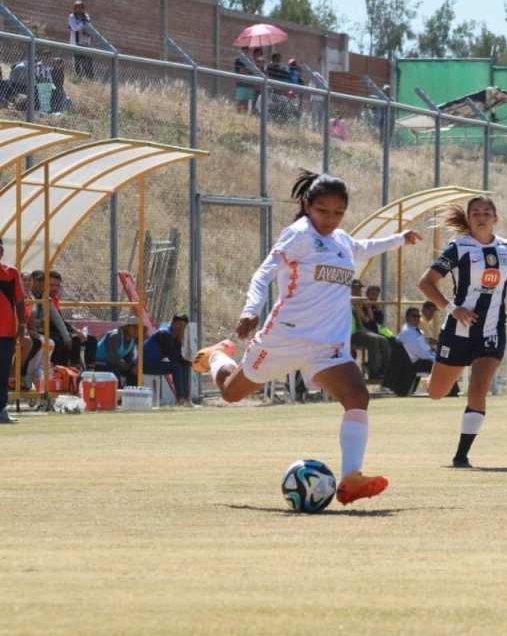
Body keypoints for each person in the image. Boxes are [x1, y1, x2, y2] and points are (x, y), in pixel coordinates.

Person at [191, 170, 422, 505]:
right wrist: (250, 310)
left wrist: (400, 238)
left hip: (326, 346)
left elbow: (363, 247)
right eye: (322, 210)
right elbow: (263, 273)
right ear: (306, 205)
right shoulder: (298, 235)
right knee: (230, 392)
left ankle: (351, 478)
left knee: (357, 396)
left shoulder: (341, 240)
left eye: (338, 212)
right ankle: (215, 356)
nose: (330, 218)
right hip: (284, 338)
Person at [418, 196, 507, 468]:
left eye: (487, 212)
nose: (481, 217)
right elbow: (426, 283)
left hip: (491, 331)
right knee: (437, 393)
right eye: (475, 213)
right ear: (468, 219)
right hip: (458, 331)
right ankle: (430, 380)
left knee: (478, 390)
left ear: (496, 218)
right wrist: (452, 308)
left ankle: (461, 455)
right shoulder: (459, 248)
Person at [0, 238, 28, 424]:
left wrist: (22, 325)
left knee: (3, 372)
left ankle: (1, 410)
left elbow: (19, 300)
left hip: (6, 332)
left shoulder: (11, 273)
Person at [142, 313, 193, 406]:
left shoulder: (174, 336)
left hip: (155, 364)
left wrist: (190, 363)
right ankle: (180, 399)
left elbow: (178, 357)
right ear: (172, 323)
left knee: (185, 365)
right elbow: (174, 357)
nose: (181, 328)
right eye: (179, 324)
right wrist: (180, 340)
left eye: (184, 326)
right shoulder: (164, 334)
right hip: (145, 365)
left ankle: (187, 399)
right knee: (177, 366)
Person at [350, 279, 391, 378]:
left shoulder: (359, 302)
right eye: (355, 289)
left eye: (359, 289)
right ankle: (374, 371)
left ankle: (385, 371)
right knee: (374, 339)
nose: (358, 291)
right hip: (349, 334)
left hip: (360, 331)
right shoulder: (345, 301)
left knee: (383, 340)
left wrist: (365, 308)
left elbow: (367, 320)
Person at [94, 317, 140, 386]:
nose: (137, 330)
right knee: (115, 371)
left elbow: (129, 358)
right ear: (127, 327)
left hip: (113, 364)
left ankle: (131, 390)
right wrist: (127, 366)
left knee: (134, 372)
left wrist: (133, 367)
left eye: (139, 328)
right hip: (99, 363)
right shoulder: (115, 336)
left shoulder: (133, 340)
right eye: (135, 327)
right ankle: (117, 390)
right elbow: (112, 358)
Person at [68, 1, 94, 80]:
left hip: (86, 43)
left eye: (82, 7)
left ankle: (90, 79)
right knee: (77, 62)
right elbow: (74, 28)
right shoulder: (72, 16)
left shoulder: (86, 16)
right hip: (76, 43)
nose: (80, 9)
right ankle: (77, 78)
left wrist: (86, 30)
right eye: (79, 7)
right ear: (75, 8)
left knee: (88, 63)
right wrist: (83, 23)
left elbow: (89, 27)